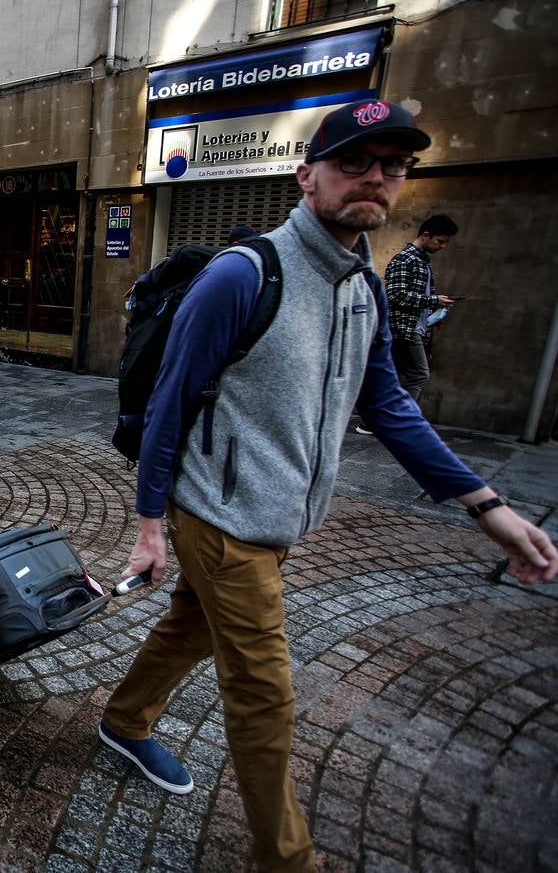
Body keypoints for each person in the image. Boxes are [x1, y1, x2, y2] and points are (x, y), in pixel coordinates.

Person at [97, 100, 555, 872]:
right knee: (265, 691)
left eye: (394, 166)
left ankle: (125, 719)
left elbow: (390, 406)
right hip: (220, 517)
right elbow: (169, 403)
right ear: (307, 176)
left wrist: (487, 506)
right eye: (354, 162)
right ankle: (289, 859)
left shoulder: (362, 289)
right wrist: (149, 527)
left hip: (276, 518)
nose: (375, 178)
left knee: (193, 626)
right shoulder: (243, 277)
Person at [385, 214, 458, 402]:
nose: (443, 246)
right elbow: (396, 294)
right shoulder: (405, 259)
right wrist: (434, 300)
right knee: (418, 374)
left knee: (399, 375)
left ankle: (385, 418)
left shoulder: (422, 261)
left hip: (415, 329)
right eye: (440, 241)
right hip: (404, 329)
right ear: (425, 235)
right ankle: (397, 419)